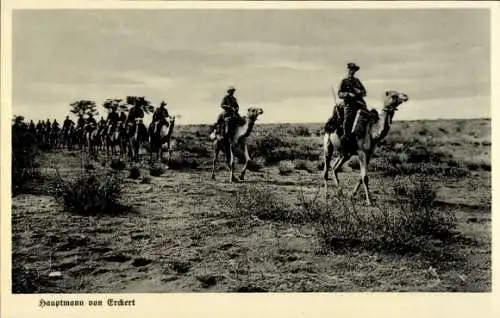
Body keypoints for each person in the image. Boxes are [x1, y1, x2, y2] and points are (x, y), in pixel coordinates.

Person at [337, 62, 367, 142]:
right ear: (348, 70)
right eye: (351, 70)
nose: (352, 71)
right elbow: (339, 94)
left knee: (368, 117)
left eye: (353, 70)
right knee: (348, 119)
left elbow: (364, 92)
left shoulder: (357, 81)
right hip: (349, 104)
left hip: (359, 104)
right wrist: (348, 94)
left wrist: (359, 92)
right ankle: (346, 137)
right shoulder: (344, 81)